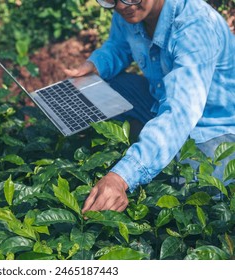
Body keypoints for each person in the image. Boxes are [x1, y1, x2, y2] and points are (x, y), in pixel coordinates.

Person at [64, 0, 235, 213]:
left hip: (211, 128)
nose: (120, 5)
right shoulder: (129, 8)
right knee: (90, 90)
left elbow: (179, 114)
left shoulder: (196, 29)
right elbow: (119, 46)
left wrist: (121, 177)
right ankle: (146, 141)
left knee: (185, 186)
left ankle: (144, 145)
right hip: (159, 99)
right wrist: (95, 66)